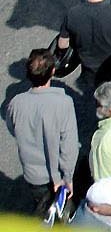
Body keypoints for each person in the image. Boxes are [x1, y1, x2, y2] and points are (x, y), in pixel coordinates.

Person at [7, 49, 77, 217]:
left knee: (43, 211)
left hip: (33, 175)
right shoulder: (64, 102)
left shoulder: (17, 102)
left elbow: (12, 128)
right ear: (52, 72)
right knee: (62, 216)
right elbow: (69, 145)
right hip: (58, 175)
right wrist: (67, 178)